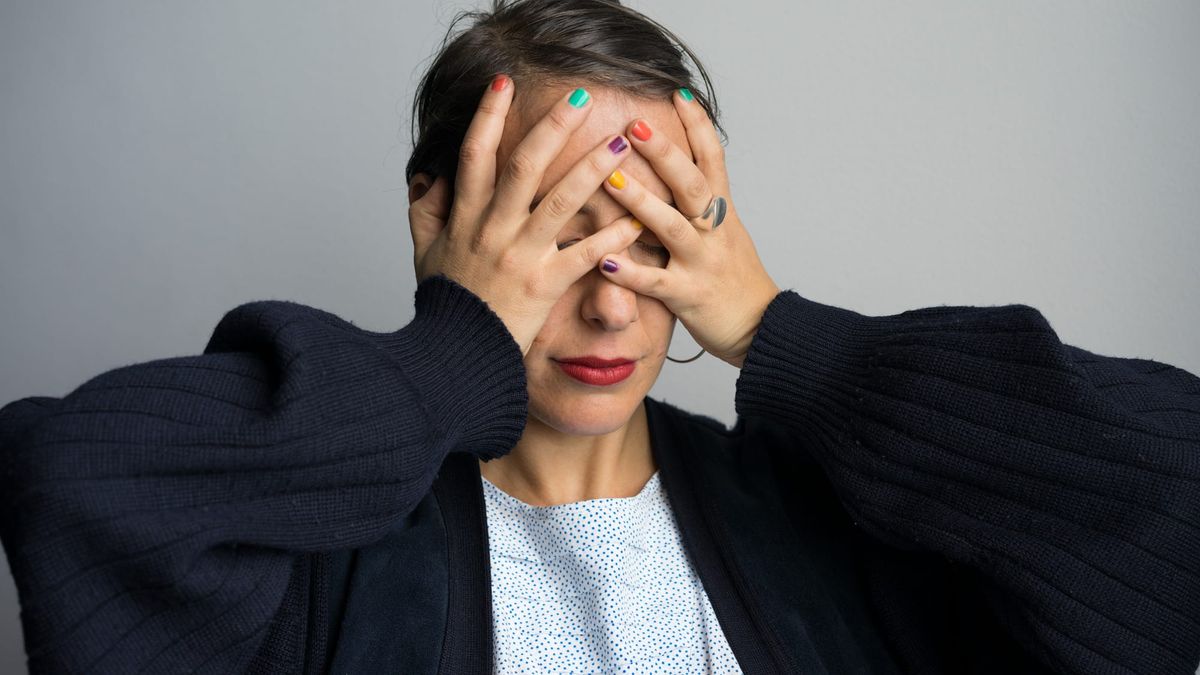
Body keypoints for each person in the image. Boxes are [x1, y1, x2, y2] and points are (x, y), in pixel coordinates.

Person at [1, 0, 1198, 673]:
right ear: (438, 217)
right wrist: (451, 356)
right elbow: (77, 483)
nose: (615, 304)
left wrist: (784, 336)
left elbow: (1174, 491)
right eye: (558, 233)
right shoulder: (318, 563)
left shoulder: (829, 528)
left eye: (653, 234)